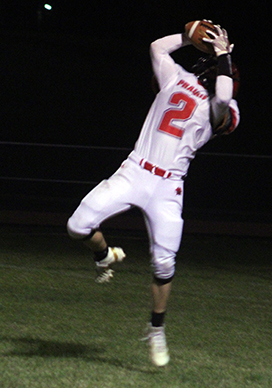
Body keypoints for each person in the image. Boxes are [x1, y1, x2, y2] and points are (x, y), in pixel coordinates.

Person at [67, 22, 240, 367]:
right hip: (136, 169)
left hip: (169, 185)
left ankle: (156, 329)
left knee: (164, 262)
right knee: (77, 225)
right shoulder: (176, 78)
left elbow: (222, 97)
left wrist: (221, 56)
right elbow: (157, 47)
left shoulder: (225, 106)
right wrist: (190, 36)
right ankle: (104, 255)